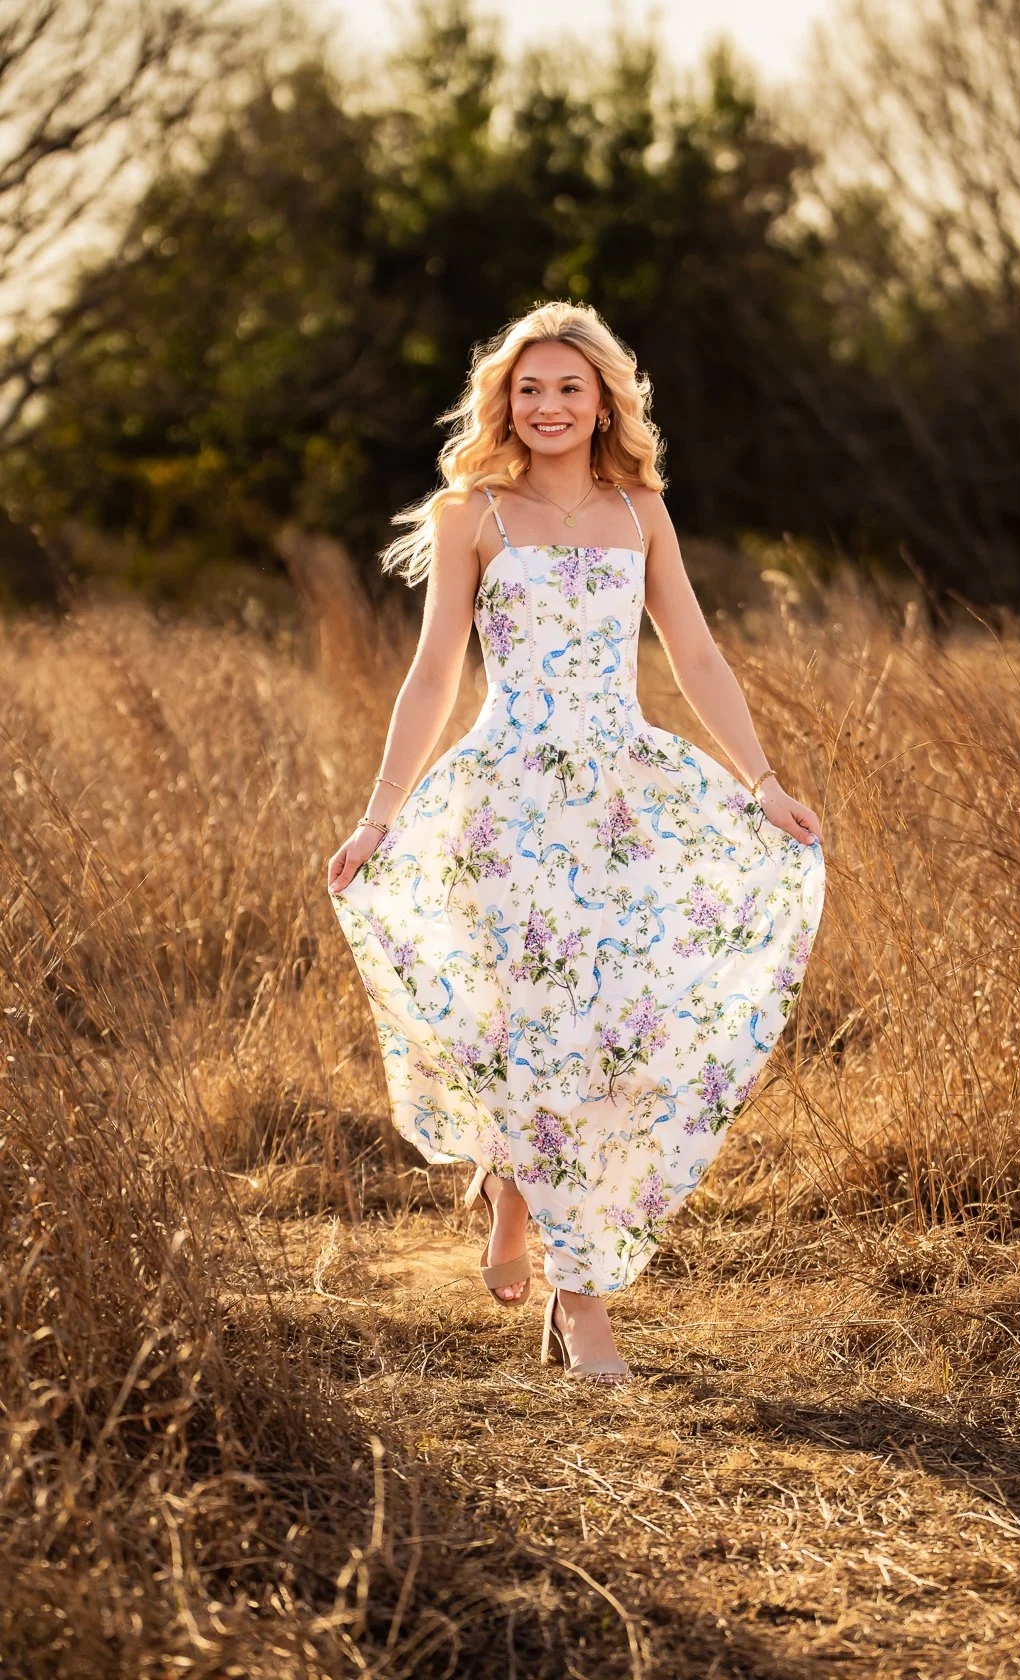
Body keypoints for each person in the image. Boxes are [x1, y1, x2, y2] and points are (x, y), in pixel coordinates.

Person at [328, 300, 825, 1385]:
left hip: (621, 805)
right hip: (504, 807)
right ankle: (571, 1285)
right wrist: (378, 814)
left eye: (569, 388)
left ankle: (538, 1222)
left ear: (605, 403)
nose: (547, 406)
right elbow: (434, 673)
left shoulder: (640, 509)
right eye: (528, 389)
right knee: (534, 1025)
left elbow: (694, 652)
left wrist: (764, 783)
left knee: (611, 1036)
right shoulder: (471, 514)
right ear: (503, 403)